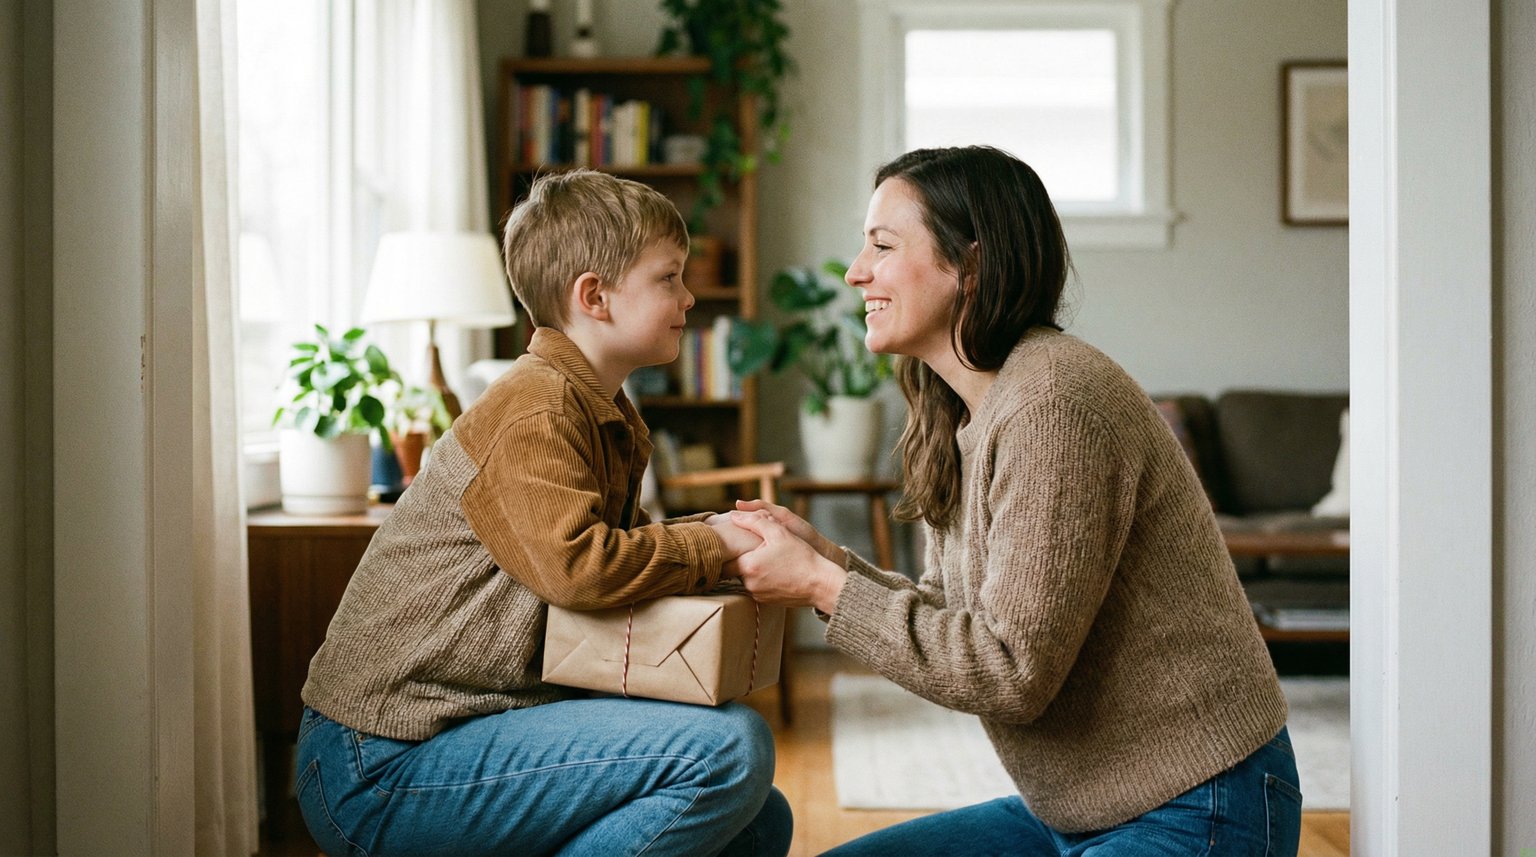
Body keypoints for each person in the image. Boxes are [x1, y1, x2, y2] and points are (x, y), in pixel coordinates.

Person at [725, 146, 1302, 856]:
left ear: (969, 265)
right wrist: (826, 563)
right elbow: (956, 615)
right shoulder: (961, 408)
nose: (855, 271)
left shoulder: (1054, 401)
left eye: (881, 245)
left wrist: (825, 585)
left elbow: (1010, 671)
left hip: (1198, 803)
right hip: (1075, 809)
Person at [295, 169, 791, 857]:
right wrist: (713, 544)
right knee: (733, 751)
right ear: (595, 295)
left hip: (464, 731)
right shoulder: (536, 407)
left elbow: (615, 558)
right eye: (668, 277)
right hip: (380, 758)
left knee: (762, 821)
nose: (689, 295)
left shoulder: (600, 410)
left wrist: (726, 538)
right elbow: (580, 569)